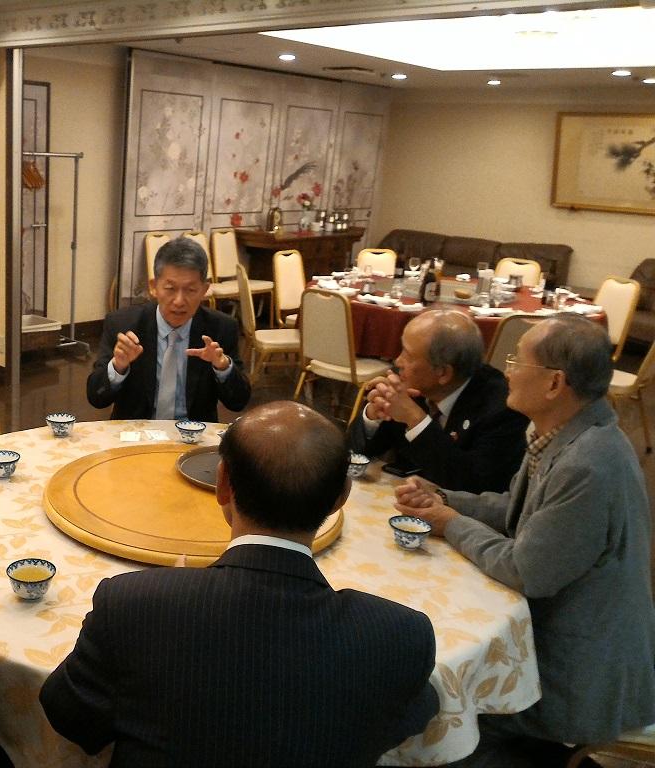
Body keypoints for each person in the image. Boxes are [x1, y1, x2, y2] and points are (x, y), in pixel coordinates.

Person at [41, 401, 439, 767]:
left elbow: (68, 716)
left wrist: (175, 591)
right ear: (341, 497)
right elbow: (405, 722)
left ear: (222, 484)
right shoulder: (400, 635)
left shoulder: (133, 605)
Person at [394, 314, 655, 766]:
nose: (507, 371)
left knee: (436, 708)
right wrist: (444, 497)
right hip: (559, 640)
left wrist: (450, 522)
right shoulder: (563, 433)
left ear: (554, 383)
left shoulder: (588, 464)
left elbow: (525, 570)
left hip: (576, 674)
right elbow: (514, 509)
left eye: (518, 362)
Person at [348, 309, 527, 493]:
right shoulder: (408, 379)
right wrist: (373, 416)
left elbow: (474, 485)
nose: (398, 361)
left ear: (443, 373)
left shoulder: (501, 408)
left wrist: (415, 419)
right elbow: (356, 455)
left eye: (408, 355)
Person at [86, 236, 250, 422]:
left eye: (190, 290)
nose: (179, 301)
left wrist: (222, 367)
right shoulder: (123, 325)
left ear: (204, 290)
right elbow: (96, 398)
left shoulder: (221, 328)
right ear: (154, 287)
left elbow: (238, 402)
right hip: (136, 434)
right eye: (170, 289)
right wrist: (118, 366)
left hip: (194, 434)